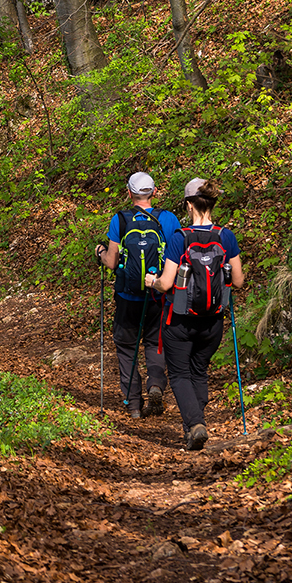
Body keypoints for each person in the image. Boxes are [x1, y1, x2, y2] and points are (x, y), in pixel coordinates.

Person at [153, 178, 245, 451]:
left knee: (180, 374)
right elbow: (238, 281)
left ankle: (195, 424)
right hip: (213, 320)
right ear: (212, 203)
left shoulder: (179, 238)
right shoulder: (225, 236)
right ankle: (194, 425)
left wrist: (151, 282)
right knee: (199, 370)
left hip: (179, 319)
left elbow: (167, 283)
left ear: (189, 204)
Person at [96, 172, 181, 419]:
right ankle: (155, 384)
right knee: (156, 343)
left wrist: (100, 252)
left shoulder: (120, 220)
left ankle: (133, 404)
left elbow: (112, 263)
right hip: (158, 294)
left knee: (126, 346)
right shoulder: (168, 219)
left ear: (129, 193)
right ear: (154, 192)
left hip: (127, 295)